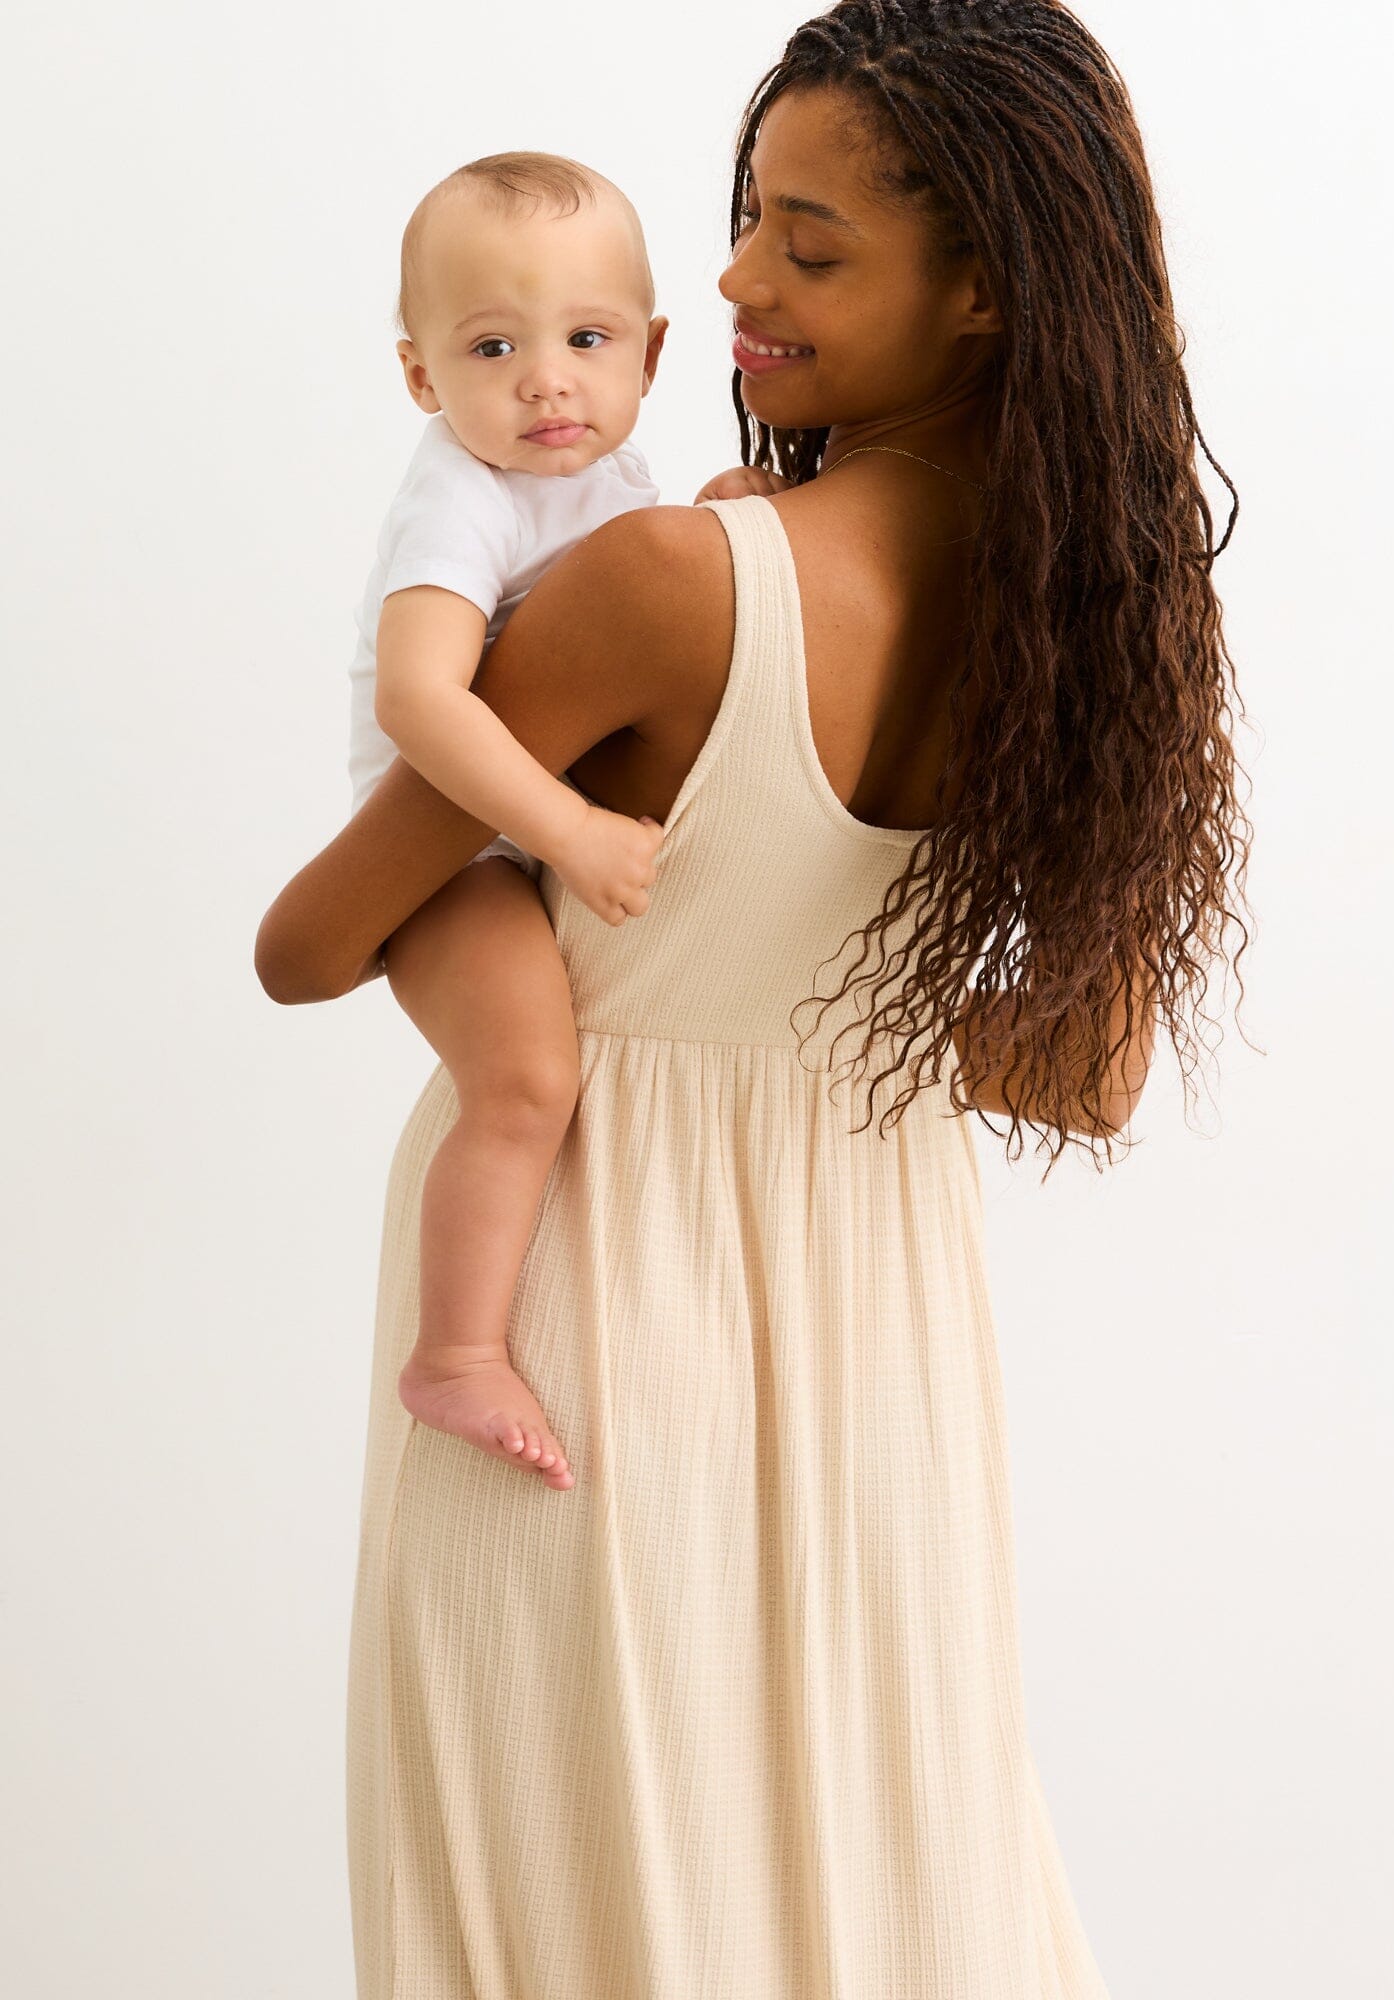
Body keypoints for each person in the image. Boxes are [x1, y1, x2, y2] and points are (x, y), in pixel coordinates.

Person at [255, 2, 1252, 1992]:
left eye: (808, 244)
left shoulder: (665, 580)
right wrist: (809, 1032)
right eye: (742, 220)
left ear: (980, 291)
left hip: (569, 1317)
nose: (725, 280)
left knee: (564, 1902)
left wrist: (650, 1006)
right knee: (869, 1882)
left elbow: (308, 947)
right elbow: (1087, 1065)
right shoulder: (1110, 617)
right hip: (870, 1333)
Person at [345, 152, 769, 1487]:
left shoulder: (608, 469)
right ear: (423, 376)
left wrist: (712, 526)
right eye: (493, 345)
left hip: (520, 827)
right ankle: (455, 1352)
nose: (547, 379)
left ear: (650, 351)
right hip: (446, 853)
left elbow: (613, 610)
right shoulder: (458, 498)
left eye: (587, 339)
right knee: (527, 1080)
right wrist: (567, 834)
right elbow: (422, 702)